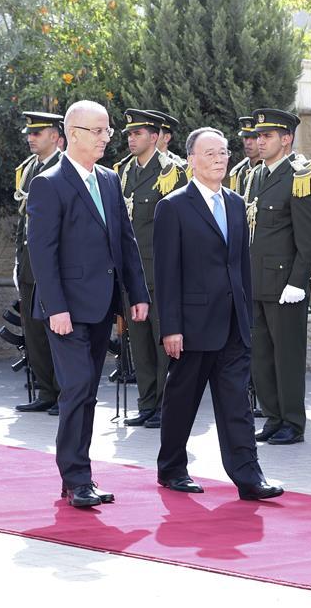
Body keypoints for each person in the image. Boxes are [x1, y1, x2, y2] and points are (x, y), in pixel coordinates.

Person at [27, 100, 149, 508]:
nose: (105, 138)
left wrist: (139, 294)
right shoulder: (49, 182)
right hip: (66, 309)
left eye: (107, 131)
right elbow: (42, 254)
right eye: (97, 131)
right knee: (77, 388)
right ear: (73, 133)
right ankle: (77, 477)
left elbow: (125, 242)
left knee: (87, 391)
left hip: (102, 305)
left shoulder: (110, 180)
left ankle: (78, 476)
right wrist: (56, 307)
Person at [153, 127, 283, 500]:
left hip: (231, 325)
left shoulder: (236, 203)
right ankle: (172, 468)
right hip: (191, 327)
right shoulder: (173, 207)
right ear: (191, 159)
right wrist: (171, 327)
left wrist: (245, 316)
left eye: (224, 152)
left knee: (237, 404)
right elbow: (166, 274)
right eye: (209, 153)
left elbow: (240, 266)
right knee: (182, 401)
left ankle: (248, 477)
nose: (219, 159)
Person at [246, 108, 311, 445]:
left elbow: (307, 238)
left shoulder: (301, 175)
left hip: (284, 284)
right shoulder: (256, 176)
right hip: (256, 281)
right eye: (258, 136)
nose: (259, 142)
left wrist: (298, 282)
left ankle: (293, 420)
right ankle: (273, 416)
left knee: (287, 356)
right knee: (261, 355)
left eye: (267, 136)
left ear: (286, 138)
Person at [114, 108, 188, 428]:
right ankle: (146, 402)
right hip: (133, 272)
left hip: (159, 270)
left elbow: (177, 227)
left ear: (155, 137)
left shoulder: (170, 172)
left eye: (138, 134)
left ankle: (164, 404)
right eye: (129, 134)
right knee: (140, 342)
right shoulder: (123, 172)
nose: (131, 139)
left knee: (161, 341)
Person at [14, 111, 63, 414]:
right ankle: (46, 390)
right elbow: (24, 221)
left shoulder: (64, 168)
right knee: (33, 332)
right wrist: (19, 262)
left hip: (55, 265)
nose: (31, 138)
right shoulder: (29, 169)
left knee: (57, 332)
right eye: (29, 134)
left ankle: (63, 392)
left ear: (56, 137)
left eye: (37, 133)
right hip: (30, 263)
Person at [228, 116, 260, 195]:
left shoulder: (271, 171)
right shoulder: (239, 172)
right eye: (246, 137)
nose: (248, 142)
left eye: (254, 137)